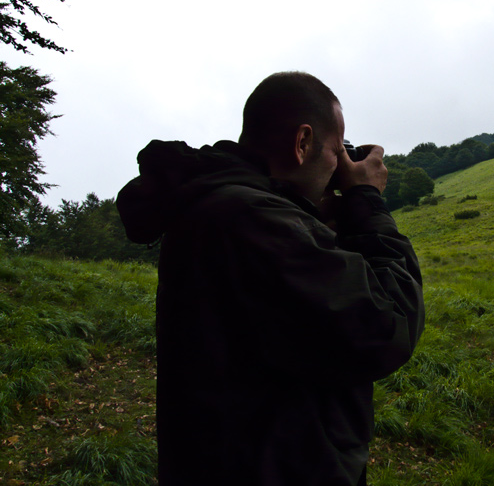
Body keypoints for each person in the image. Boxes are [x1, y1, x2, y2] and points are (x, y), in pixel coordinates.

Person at [116, 71, 424, 486]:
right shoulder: (255, 220)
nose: (340, 166)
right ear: (302, 142)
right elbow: (387, 326)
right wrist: (366, 201)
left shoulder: (217, 204)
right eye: (336, 151)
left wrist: (318, 220)